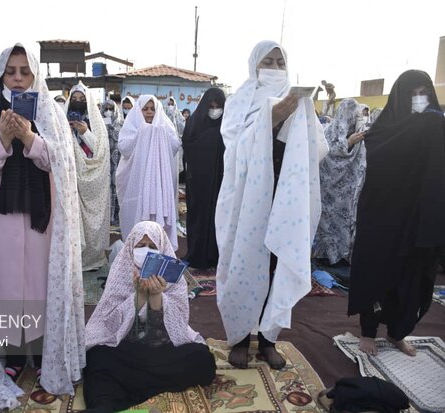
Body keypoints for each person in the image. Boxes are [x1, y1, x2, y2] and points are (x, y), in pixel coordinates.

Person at [0, 43, 85, 410]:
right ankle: (13, 355)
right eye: (10, 71)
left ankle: (43, 354)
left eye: (24, 72)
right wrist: (3, 139)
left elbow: (58, 162)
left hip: (41, 215)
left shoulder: (52, 114)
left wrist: (28, 137)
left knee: (40, 281)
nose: (16, 78)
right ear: (0, 75)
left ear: (35, 76)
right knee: (6, 282)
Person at [215, 41, 328, 370]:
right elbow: (234, 150)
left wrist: (297, 119)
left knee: (277, 265)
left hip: (285, 199)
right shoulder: (240, 100)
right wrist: (273, 114)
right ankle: (239, 338)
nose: (275, 67)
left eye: (280, 61)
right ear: (255, 64)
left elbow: (318, 148)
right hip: (246, 202)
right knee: (243, 263)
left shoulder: (299, 102)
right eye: (269, 61)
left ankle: (268, 339)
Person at [348, 70, 445, 357]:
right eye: (413, 93)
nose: (419, 99)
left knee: (414, 276)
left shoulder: (436, 126)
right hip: (384, 215)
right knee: (378, 271)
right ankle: (368, 332)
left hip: (420, 217)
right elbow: (377, 154)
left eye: (423, 93)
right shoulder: (386, 128)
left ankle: (397, 332)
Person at [84, 221, 216, 413]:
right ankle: (111, 403)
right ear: (131, 247)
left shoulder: (172, 277)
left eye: (152, 246)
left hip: (160, 352)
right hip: (124, 351)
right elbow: (109, 323)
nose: (146, 251)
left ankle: (130, 386)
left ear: (162, 248)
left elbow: (178, 325)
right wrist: (138, 296)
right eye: (140, 246)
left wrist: (156, 297)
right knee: (97, 360)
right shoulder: (121, 270)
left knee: (202, 360)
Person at [116, 95, 181, 250]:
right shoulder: (132, 126)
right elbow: (124, 148)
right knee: (136, 216)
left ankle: (157, 248)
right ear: (138, 110)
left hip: (159, 183)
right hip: (137, 182)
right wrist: (143, 133)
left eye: (153, 109)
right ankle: (135, 249)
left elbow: (175, 145)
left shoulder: (165, 126)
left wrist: (159, 133)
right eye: (145, 109)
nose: (149, 112)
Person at [313, 98, 367, 266]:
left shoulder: (359, 131)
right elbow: (326, 156)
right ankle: (324, 255)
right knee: (326, 223)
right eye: (352, 113)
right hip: (328, 190)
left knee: (344, 223)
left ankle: (341, 255)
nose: (354, 117)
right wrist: (348, 143)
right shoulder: (329, 131)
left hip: (347, 193)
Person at [66, 82, 110, 271]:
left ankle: (93, 260)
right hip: (71, 178)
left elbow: (100, 152)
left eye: (82, 100)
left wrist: (85, 133)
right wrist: (67, 132)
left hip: (94, 180)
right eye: (74, 100)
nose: (78, 103)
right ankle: (75, 259)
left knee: (93, 224)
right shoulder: (62, 121)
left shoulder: (97, 124)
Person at [182, 87, 226, 270]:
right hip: (199, 183)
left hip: (221, 183)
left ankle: (217, 257)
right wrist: (213, 137)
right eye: (211, 106)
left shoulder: (229, 123)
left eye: (218, 106)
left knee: (220, 218)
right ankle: (198, 255)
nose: (215, 110)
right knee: (200, 219)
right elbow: (188, 144)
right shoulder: (195, 122)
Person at [101, 99, 124, 226]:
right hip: (103, 161)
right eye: (106, 108)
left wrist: (111, 127)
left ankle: (115, 216)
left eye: (111, 108)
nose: (108, 111)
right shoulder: (98, 122)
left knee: (116, 188)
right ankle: (104, 217)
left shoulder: (121, 123)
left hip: (117, 161)